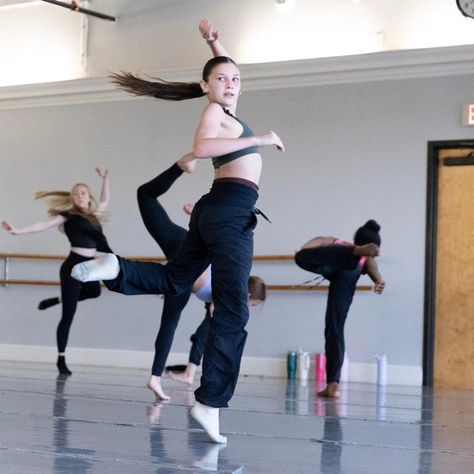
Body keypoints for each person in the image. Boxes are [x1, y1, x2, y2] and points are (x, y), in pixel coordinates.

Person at [71, 19, 284, 443]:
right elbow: (202, 148)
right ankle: (209, 402)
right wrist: (259, 139)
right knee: (234, 310)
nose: (231, 83)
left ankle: (115, 268)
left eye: (236, 79)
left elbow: (225, 72)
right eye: (221, 79)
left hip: (217, 210)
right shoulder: (214, 112)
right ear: (206, 86)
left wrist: (213, 43)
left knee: (175, 279)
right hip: (228, 211)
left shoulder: (226, 110)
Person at [135, 157, 266, 400]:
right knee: (170, 320)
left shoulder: (227, 282)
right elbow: (213, 249)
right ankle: (155, 377)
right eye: (254, 303)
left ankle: (179, 167)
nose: (251, 307)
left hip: (182, 247)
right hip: (185, 255)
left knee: (145, 195)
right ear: (249, 295)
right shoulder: (229, 288)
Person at [1, 167, 111, 375]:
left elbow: (104, 201)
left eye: (83, 193)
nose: (79, 196)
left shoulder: (95, 216)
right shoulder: (68, 216)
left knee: (95, 292)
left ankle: (59, 299)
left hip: (92, 266)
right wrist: (17, 231)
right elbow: (43, 224)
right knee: (69, 315)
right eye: (76, 193)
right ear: (72, 198)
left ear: (89, 197)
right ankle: (61, 359)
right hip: (73, 265)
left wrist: (105, 180)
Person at [294, 220, 385, 399]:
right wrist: (378, 280)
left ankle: (352, 253)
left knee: (301, 257)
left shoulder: (338, 242)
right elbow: (372, 264)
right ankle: (332, 385)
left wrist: (302, 249)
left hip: (336, 262)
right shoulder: (365, 259)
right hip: (348, 270)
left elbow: (319, 240)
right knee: (335, 329)